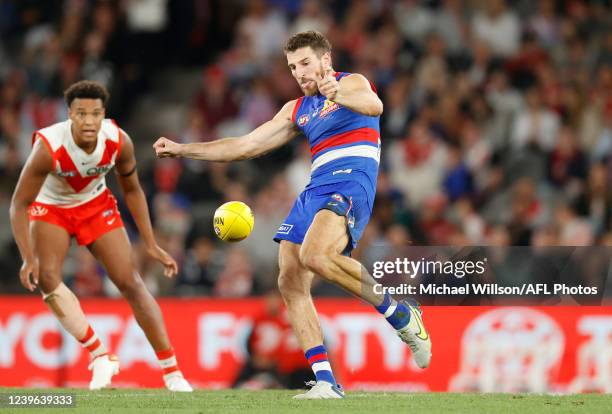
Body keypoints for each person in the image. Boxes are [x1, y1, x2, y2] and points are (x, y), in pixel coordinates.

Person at [154, 30, 431, 399]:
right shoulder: (296, 109)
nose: (299, 73)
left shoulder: (352, 83)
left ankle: (400, 315)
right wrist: (183, 149)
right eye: (292, 67)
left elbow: (374, 106)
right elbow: (246, 145)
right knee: (289, 277)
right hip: (315, 188)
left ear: (325, 60)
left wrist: (337, 91)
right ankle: (325, 382)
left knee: (315, 255)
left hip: (352, 181)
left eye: (305, 63)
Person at [10, 80, 192, 392]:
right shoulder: (49, 147)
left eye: (95, 113)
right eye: (81, 114)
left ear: (103, 114)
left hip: (96, 206)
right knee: (47, 278)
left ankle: (173, 373)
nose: (89, 121)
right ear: (70, 114)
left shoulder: (119, 141)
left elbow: (132, 189)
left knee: (131, 282)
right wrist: (28, 258)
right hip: (51, 208)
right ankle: (100, 355)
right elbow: (19, 204)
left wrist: (150, 243)